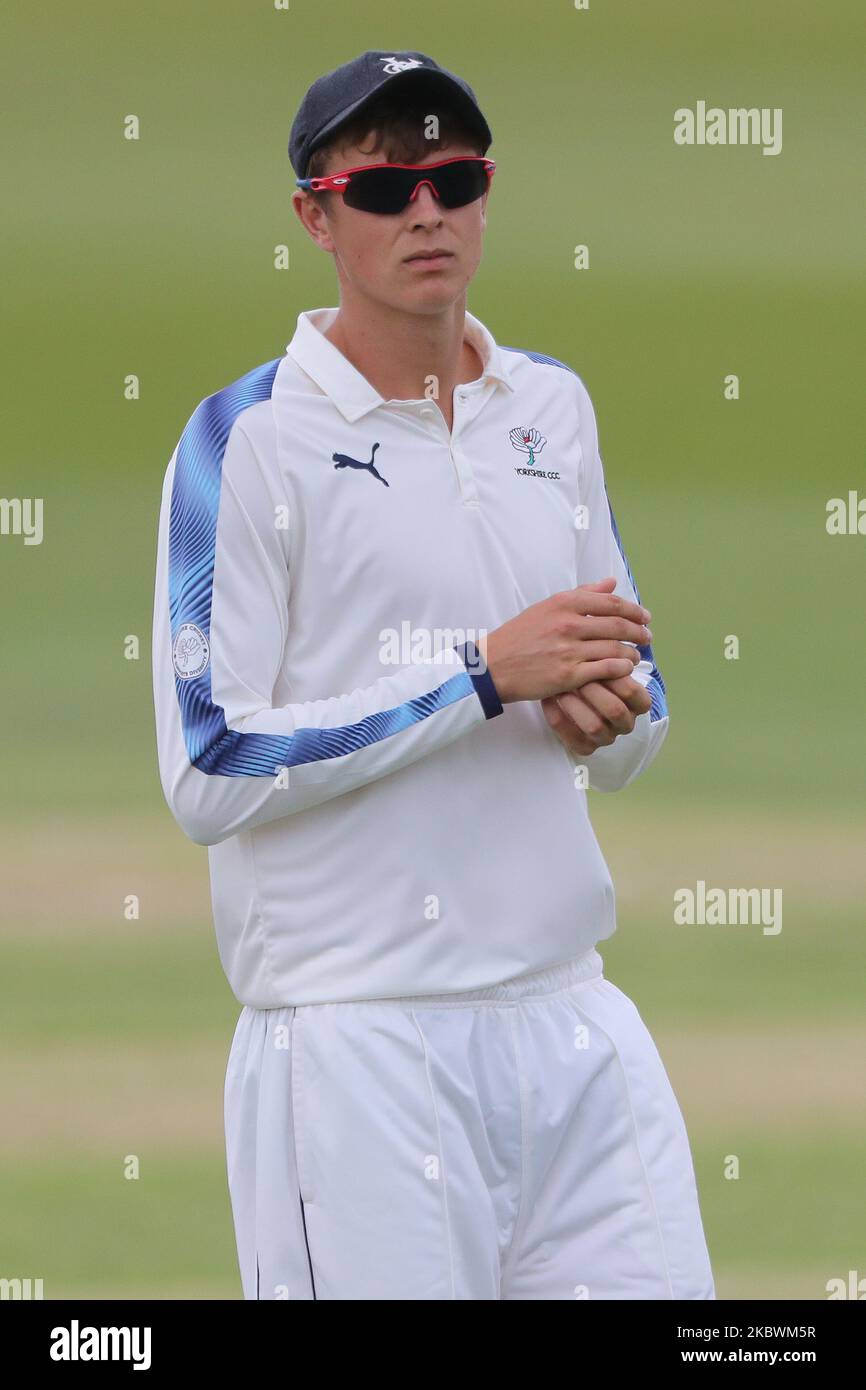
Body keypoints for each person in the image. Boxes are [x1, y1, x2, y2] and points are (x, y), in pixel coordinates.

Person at [151, 49, 715, 1300]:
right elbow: (209, 761)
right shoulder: (245, 441)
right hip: (356, 1050)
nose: (425, 213)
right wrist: (477, 680)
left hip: (573, 1026)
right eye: (383, 188)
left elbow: (637, 707)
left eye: (453, 180)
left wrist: (609, 708)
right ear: (315, 213)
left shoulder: (548, 409)